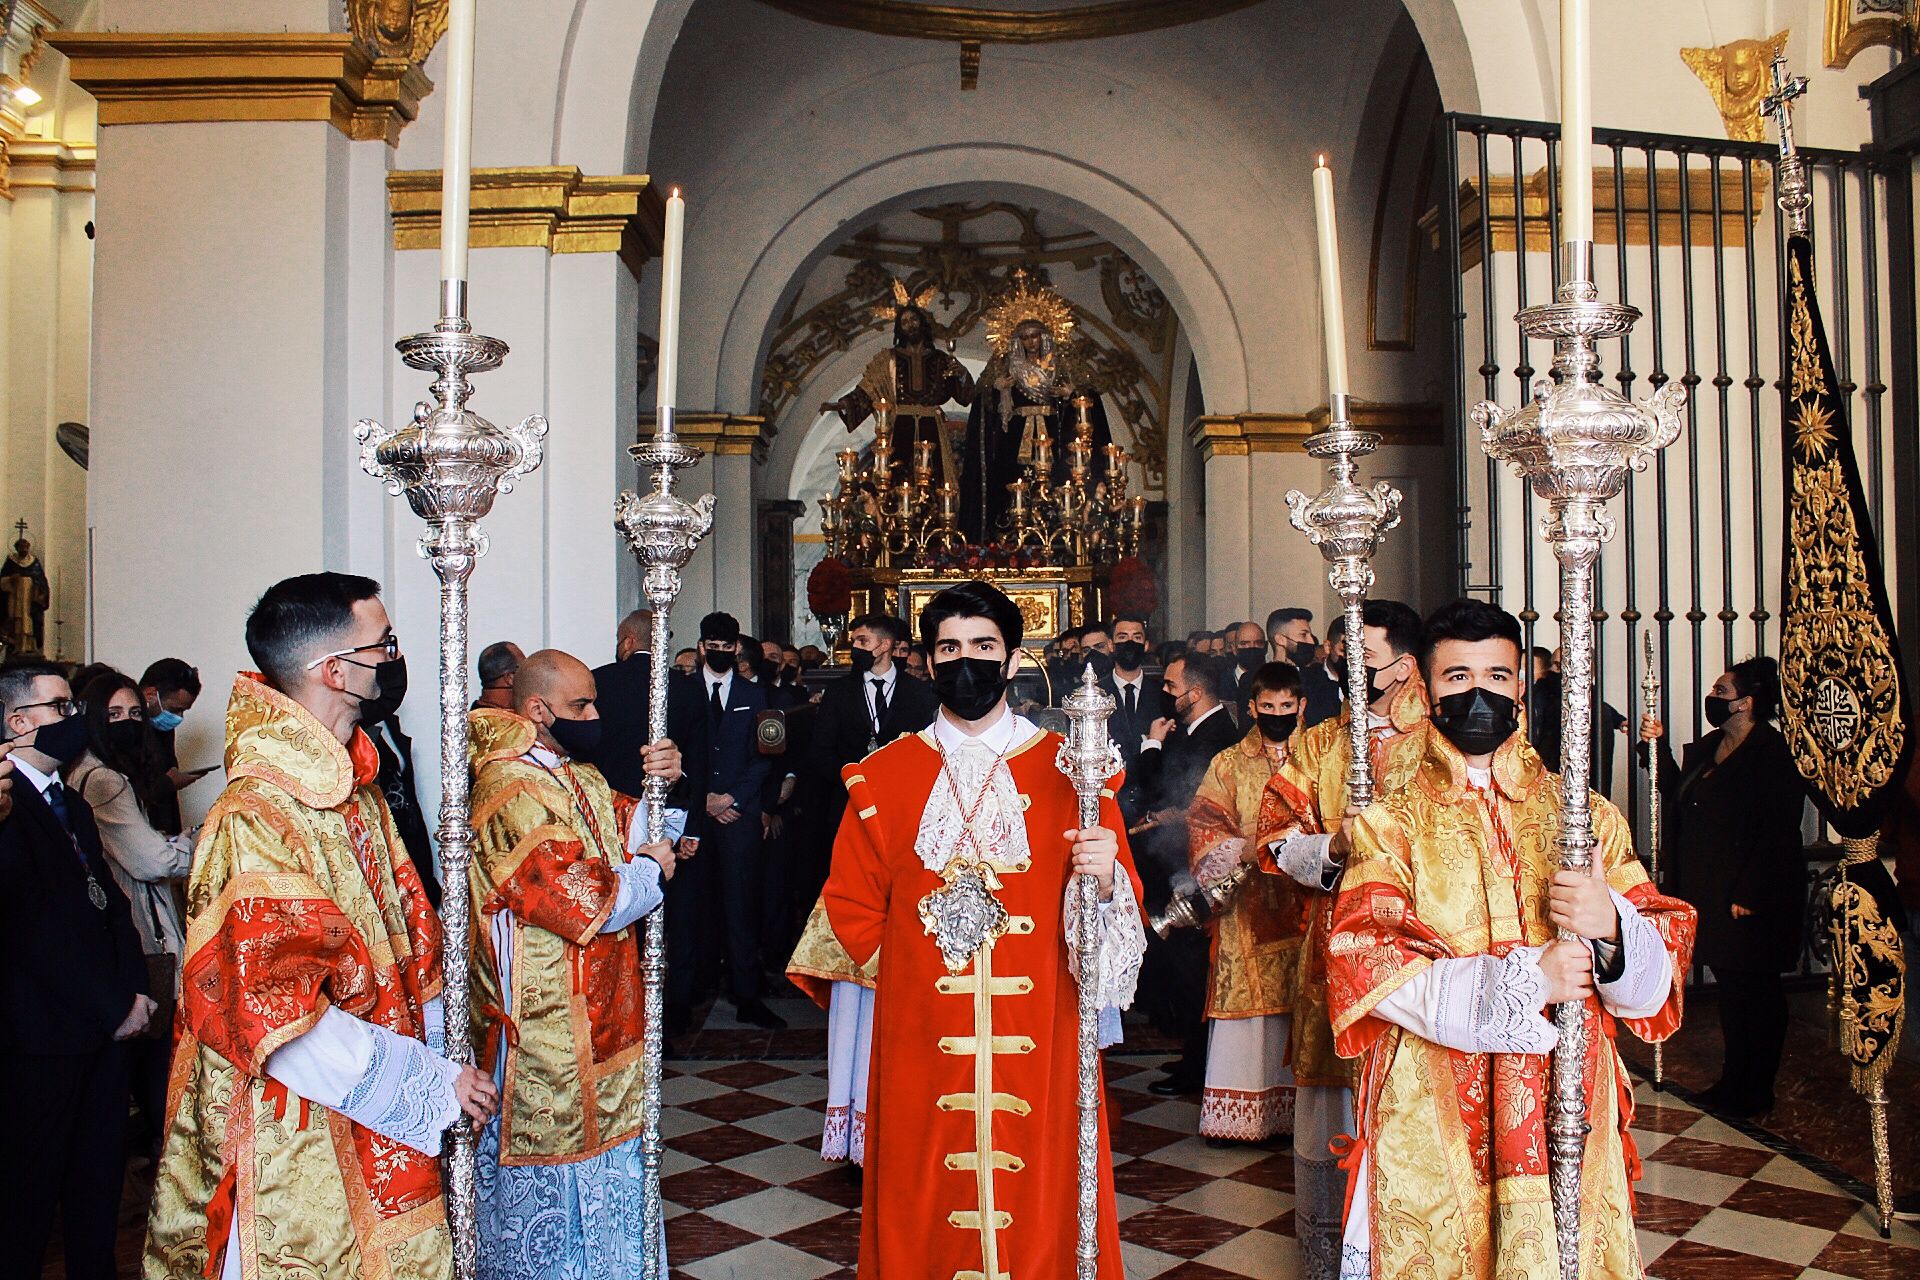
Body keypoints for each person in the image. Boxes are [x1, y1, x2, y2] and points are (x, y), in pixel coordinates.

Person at [1327, 599, 1696, 1280]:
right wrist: (1526, 983)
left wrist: (1610, 926)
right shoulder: (1389, 823)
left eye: (1496, 677)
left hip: (1566, 1092)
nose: (1478, 694)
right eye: (1457, 676)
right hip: (1436, 1093)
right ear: (1426, 688)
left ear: (1521, 685)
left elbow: (1661, 964)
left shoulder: (1583, 814)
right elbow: (1364, 962)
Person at [144, 573, 497, 1280]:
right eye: (384, 644)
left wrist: (445, 1052)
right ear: (336, 670)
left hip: (382, 1101)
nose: (393, 659)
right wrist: (426, 1085)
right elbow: (274, 1012)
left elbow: (409, 938)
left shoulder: (350, 794)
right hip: (298, 1125)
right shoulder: (257, 816)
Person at [820, 580, 1146, 1277]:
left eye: (982, 647)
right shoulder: (880, 777)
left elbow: (1119, 938)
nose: (965, 662)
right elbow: (848, 907)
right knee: (923, 1202)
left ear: (1013, 657)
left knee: (1047, 1196)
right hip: (919, 1040)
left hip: (1045, 1032)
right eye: (948, 649)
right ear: (926, 662)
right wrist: (912, 975)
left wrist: (1108, 876)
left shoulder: (1077, 774)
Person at [467, 649, 680, 1279]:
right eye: (579, 706)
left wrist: (666, 783)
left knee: (612, 1165)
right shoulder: (509, 789)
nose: (594, 716)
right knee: (557, 1181)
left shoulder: (571, 775)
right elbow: (583, 901)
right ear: (537, 709)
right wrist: (648, 872)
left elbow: (634, 828)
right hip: (546, 1025)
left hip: (603, 1011)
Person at [1258, 598, 1428, 1280]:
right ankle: (1332, 1262)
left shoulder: (1443, 742)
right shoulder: (1321, 743)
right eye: (1339, 658)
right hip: (1334, 953)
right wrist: (1331, 846)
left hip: (1422, 954)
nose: (1342, 669)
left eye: (1360, 659)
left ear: (1406, 666)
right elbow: (1273, 839)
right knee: (1335, 1110)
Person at [0, 660, 152, 1280]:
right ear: (17, 721)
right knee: (27, 1204)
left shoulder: (72, 801)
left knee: (97, 1190)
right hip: (41, 1037)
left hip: (103, 1033)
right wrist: (110, 1006)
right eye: (60, 708)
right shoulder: (8, 809)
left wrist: (136, 991)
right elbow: (32, 933)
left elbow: (110, 905)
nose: (74, 720)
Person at [789, 612, 939, 1162]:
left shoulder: (922, 695)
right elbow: (820, 755)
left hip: (909, 827)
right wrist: (862, 774)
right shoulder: (841, 692)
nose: (857, 644)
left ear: (891, 645)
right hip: (849, 816)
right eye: (853, 638)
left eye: (866, 637)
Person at [1641, 655, 1806, 1117]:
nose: (1713, 698)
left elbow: (1778, 830)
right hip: (1713, 888)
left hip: (1752, 896)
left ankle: (1758, 1088)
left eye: (1722, 691)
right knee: (1733, 990)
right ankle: (1733, 1081)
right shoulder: (1713, 745)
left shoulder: (1773, 754)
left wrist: (1750, 894)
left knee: (1758, 991)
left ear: (1746, 703)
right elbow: (1679, 796)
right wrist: (1657, 752)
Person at [68, 672, 195, 1153]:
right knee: (156, 1076)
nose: (128, 723)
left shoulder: (87, 773)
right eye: (114, 715)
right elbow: (152, 862)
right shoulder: (103, 779)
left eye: (134, 714)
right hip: (140, 937)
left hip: (122, 934)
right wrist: (194, 845)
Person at [1186, 661, 1307, 1142]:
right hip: (1248, 901)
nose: (1278, 713)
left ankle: (1305, 1116)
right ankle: (1249, 1119)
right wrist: (1249, 844)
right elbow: (1204, 824)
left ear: (1300, 707)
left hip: (1307, 900)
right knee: (1252, 1011)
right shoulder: (1229, 763)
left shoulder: (1319, 756)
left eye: (1287, 706)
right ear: (1253, 707)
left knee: (1304, 1000)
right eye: (1268, 706)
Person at [1132, 651, 1243, 1094]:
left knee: (1195, 975)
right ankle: (1191, 1060)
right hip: (1177, 864)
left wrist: (1152, 746)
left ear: (1195, 694)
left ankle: (1199, 1069)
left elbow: (1169, 794)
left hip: (1196, 870)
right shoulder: (1194, 729)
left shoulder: (1215, 738)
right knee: (1184, 973)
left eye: (1172, 688)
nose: (1165, 693)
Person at [687, 611, 782, 1029]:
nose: (722, 653)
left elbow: (766, 757)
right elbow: (675, 748)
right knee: (691, 907)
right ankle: (684, 999)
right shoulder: (683, 690)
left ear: (737, 649)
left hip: (738, 815)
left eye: (730, 648)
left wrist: (733, 800)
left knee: (742, 908)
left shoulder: (756, 695)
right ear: (703, 646)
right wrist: (702, 798)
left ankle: (747, 996)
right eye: (715, 646)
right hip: (693, 815)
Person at [824, 301, 975, 487]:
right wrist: (844, 404)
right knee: (897, 474)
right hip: (902, 424)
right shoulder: (889, 360)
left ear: (922, 323)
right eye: (904, 322)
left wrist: (962, 375)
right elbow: (870, 387)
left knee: (936, 477)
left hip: (931, 424)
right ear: (899, 329)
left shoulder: (940, 359)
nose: (910, 325)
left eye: (913, 320)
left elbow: (964, 397)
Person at [140, 657, 209, 834]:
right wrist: (167, 783)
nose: (178, 717)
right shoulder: (127, 731)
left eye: (183, 711)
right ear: (150, 695)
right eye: (174, 709)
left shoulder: (162, 727)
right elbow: (127, 796)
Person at [1296, 626, 1346, 728]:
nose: (1350, 658)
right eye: (1344, 651)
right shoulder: (1304, 681)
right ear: (1328, 647)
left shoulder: (1371, 681)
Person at [474, 639, 524, 711]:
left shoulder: (474, 716)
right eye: (524, 668)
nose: (527, 673)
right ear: (510, 678)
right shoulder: (487, 721)